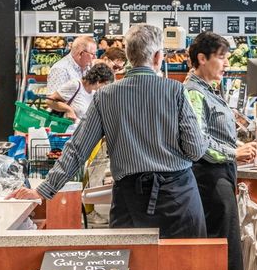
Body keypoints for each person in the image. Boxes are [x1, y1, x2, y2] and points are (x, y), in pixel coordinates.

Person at [13, 24, 210, 239]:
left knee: (133, 269)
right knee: (185, 267)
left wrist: (43, 190)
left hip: (130, 202)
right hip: (179, 199)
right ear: (157, 57)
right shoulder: (176, 91)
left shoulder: (105, 96)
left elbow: (77, 150)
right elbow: (196, 150)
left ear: (128, 56)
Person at [184, 31, 257, 270]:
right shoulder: (194, 92)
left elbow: (215, 134)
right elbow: (200, 142)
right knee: (222, 245)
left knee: (228, 242)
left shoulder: (210, 89)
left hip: (221, 174)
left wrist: (238, 147)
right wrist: (234, 153)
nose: (226, 63)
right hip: (209, 179)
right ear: (202, 58)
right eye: (221, 57)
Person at [45, 62, 114, 123]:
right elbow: (49, 101)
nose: (106, 88)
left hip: (78, 133)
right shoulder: (76, 85)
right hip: (63, 131)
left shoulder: (93, 93)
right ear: (98, 81)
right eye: (106, 84)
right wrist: (69, 110)